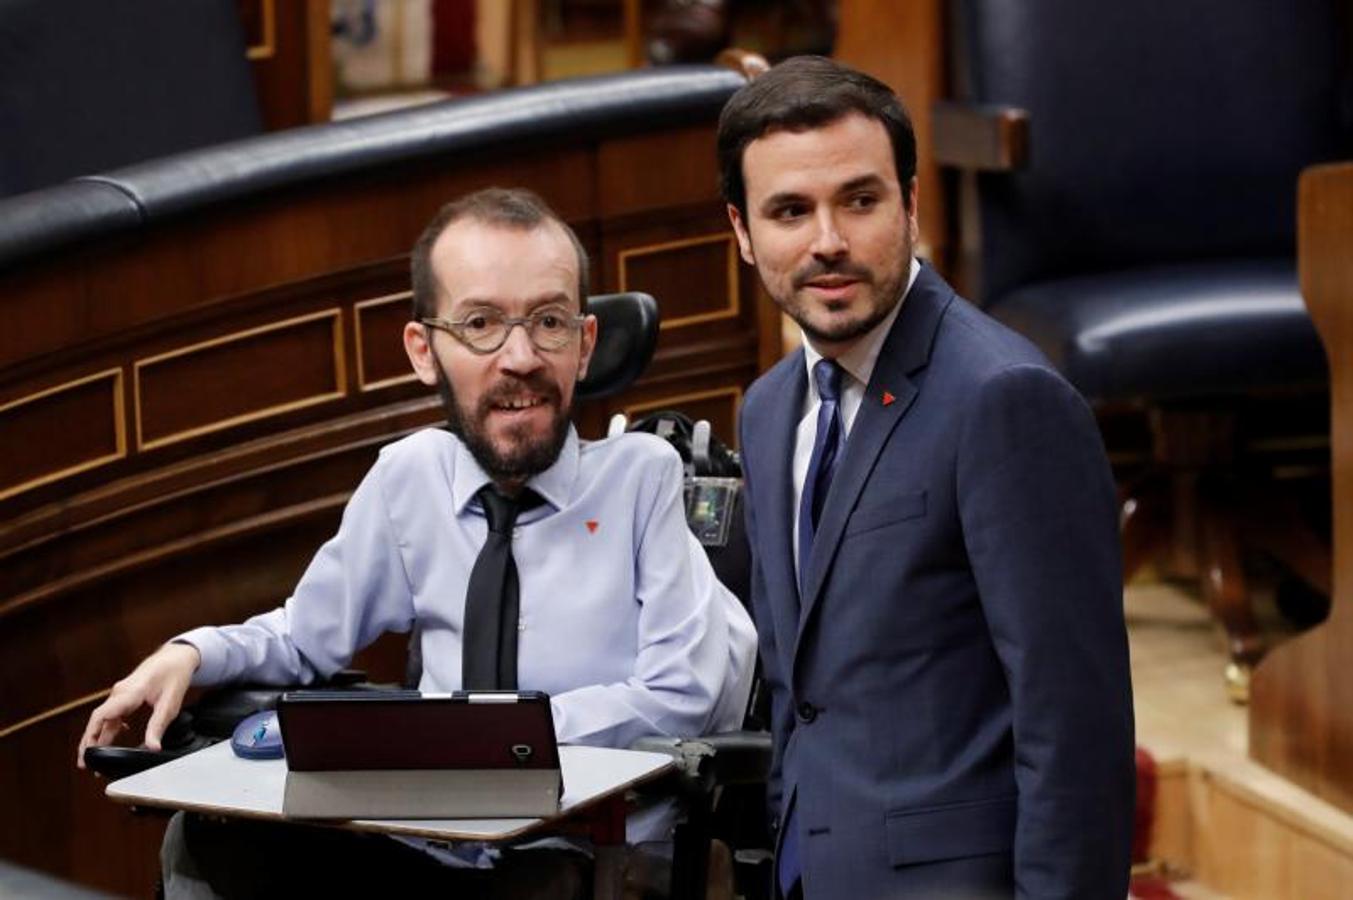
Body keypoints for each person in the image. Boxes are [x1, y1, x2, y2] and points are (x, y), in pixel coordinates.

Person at [77, 187, 757, 898]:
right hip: (435, 855)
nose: (519, 356)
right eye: (480, 325)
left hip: (592, 858)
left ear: (583, 345)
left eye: (549, 321)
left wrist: (495, 737)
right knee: (206, 841)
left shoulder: (641, 480)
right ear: (423, 351)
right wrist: (194, 651)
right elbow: (306, 640)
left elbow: (682, 695)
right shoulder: (409, 477)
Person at [719, 56, 1135, 898]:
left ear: (911, 205)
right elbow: (798, 692)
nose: (826, 240)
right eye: (789, 211)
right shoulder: (766, 412)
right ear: (741, 232)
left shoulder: (1003, 399)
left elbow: (1074, 728)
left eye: (859, 200)